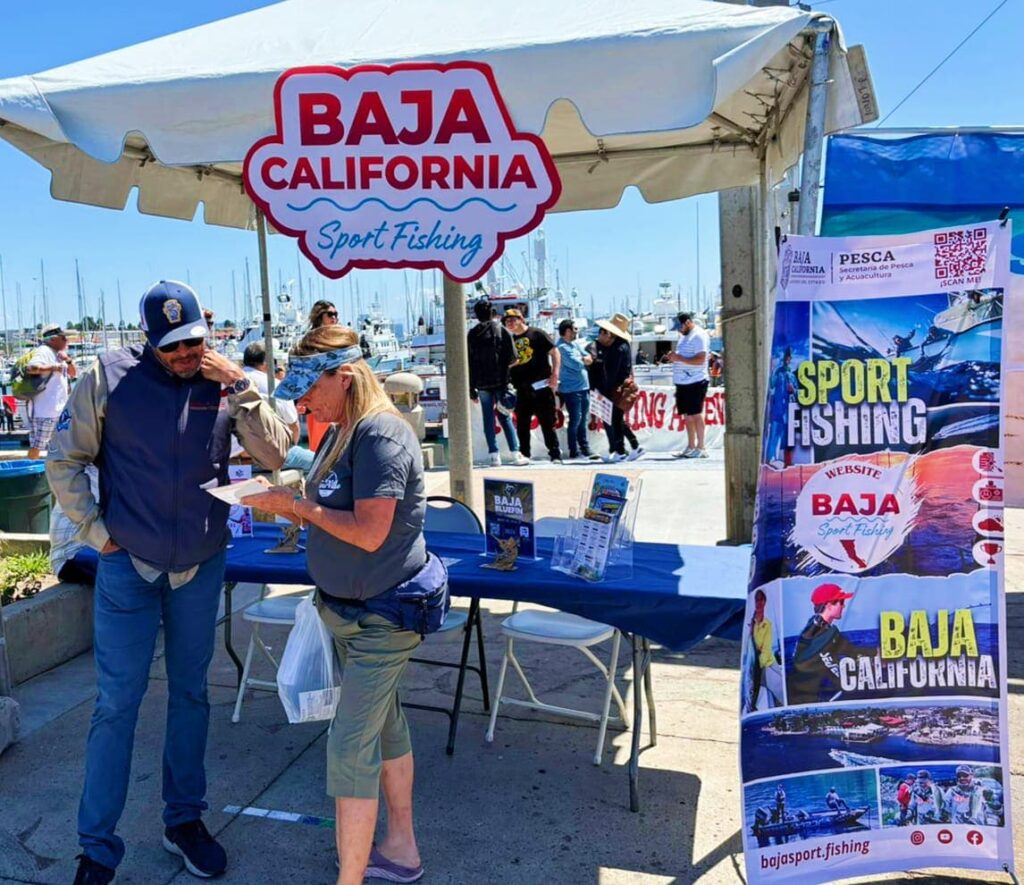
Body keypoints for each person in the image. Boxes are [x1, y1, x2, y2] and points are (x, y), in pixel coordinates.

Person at [46, 281, 291, 885]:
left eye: (194, 343)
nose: (186, 356)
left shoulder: (226, 380)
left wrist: (240, 387)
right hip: (128, 564)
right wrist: (96, 531)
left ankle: (183, 820)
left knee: (191, 696)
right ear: (149, 342)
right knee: (116, 706)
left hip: (201, 564)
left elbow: (275, 455)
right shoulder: (105, 377)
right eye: (172, 347)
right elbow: (64, 460)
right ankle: (96, 849)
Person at [241, 324, 430, 885]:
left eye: (308, 387)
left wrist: (298, 509)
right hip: (353, 614)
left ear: (344, 378)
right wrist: (294, 501)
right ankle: (401, 848)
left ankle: (352, 877)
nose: (301, 399)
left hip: (380, 618)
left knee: (349, 750)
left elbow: (372, 532)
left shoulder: (379, 437)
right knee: (385, 728)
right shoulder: (342, 430)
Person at [787, 583, 875, 705]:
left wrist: (878, 653)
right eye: (841, 602)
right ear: (829, 605)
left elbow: (851, 650)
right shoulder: (820, 636)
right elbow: (835, 670)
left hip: (807, 693)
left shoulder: (824, 628)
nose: (844, 606)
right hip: (802, 700)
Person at [467, 298, 528, 467]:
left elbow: (469, 362)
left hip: (481, 383)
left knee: (488, 419)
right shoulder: (501, 331)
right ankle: (515, 454)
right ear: (492, 313)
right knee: (505, 417)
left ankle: (494, 456)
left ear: (476, 315)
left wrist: (471, 387)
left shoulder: (472, 335)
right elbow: (514, 358)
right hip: (501, 382)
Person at [242, 341, 315, 473]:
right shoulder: (274, 385)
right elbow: (293, 426)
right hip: (270, 457)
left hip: (236, 458)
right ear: (266, 362)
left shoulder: (230, 382)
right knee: (323, 464)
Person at [503, 308, 562, 463]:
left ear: (521, 319)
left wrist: (555, 374)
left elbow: (555, 353)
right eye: (506, 321)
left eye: (512, 319)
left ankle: (555, 453)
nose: (509, 323)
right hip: (521, 388)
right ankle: (525, 454)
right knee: (522, 423)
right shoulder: (509, 340)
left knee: (547, 422)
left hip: (541, 385)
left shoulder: (537, 334)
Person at [26, 323, 77, 459]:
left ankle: (49, 472)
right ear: (53, 339)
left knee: (61, 444)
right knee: (38, 446)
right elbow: (31, 368)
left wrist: (68, 360)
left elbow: (73, 374)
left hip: (58, 410)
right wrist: (54, 367)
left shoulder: (58, 354)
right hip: (45, 412)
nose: (67, 341)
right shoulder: (44, 351)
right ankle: (30, 472)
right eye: (63, 338)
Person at [592, 314, 634, 462]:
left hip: (615, 387)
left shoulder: (617, 348)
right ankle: (632, 447)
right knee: (617, 420)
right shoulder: (624, 345)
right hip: (620, 386)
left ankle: (620, 451)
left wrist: (606, 387)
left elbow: (612, 372)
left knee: (615, 420)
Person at [668, 312, 710, 459]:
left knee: (696, 414)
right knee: (687, 415)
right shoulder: (684, 337)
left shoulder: (698, 335)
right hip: (683, 382)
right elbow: (684, 357)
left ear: (687, 322)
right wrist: (674, 358)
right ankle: (691, 446)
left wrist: (679, 358)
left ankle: (701, 447)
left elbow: (700, 359)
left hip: (695, 381)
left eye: (680, 327)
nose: (679, 330)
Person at [556, 319, 598, 461]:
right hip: (571, 389)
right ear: (567, 331)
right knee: (575, 419)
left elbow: (589, 357)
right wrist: (584, 359)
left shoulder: (573, 345)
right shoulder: (562, 347)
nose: (576, 331)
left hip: (583, 387)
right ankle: (574, 450)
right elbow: (577, 364)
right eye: (574, 329)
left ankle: (584, 447)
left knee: (583, 418)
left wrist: (585, 358)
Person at [306, 301, 340, 451]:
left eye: (336, 314)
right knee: (320, 444)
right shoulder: (310, 342)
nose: (335, 318)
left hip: (338, 394)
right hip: (318, 396)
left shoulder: (339, 339)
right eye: (330, 314)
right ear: (320, 316)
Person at [747, 588, 783, 712]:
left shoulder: (768, 624)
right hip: (756, 662)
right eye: (757, 600)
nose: (759, 603)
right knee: (775, 685)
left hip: (767, 660)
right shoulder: (749, 622)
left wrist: (758, 664)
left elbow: (766, 649)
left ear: (765, 602)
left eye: (762, 600)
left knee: (782, 681)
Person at [765, 347, 796, 468]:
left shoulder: (792, 376)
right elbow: (771, 385)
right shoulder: (778, 373)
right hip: (777, 411)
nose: (787, 360)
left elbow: (797, 392)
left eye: (789, 358)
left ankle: (785, 462)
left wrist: (793, 391)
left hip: (788, 412)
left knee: (787, 439)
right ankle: (771, 459)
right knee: (774, 435)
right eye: (786, 358)